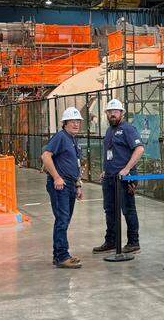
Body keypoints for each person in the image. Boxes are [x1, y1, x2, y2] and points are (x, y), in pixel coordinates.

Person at [94, 99, 145, 255]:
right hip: (110, 178)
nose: (112, 114)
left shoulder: (128, 129)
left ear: (121, 113)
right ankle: (111, 241)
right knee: (109, 210)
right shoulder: (109, 131)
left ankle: (133, 242)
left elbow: (139, 149)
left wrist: (127, 169)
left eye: (115, 111)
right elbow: (111, 153)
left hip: (125, 178)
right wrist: (106, 170)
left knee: (128, 210)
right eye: (109, 112)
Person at [41, 107, 85, 269]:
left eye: (78, 121)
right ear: (65, 123)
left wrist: (78, 184)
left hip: (70, 185)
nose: (76, 124)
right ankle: (62, 256)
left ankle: (58, 254)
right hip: (61, 185)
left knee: (64, 220)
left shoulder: (73, 140)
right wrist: (57, 177)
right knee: (62, 220)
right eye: (72, 121)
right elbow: (45, 156)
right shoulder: (60, 137)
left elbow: (76, 164)